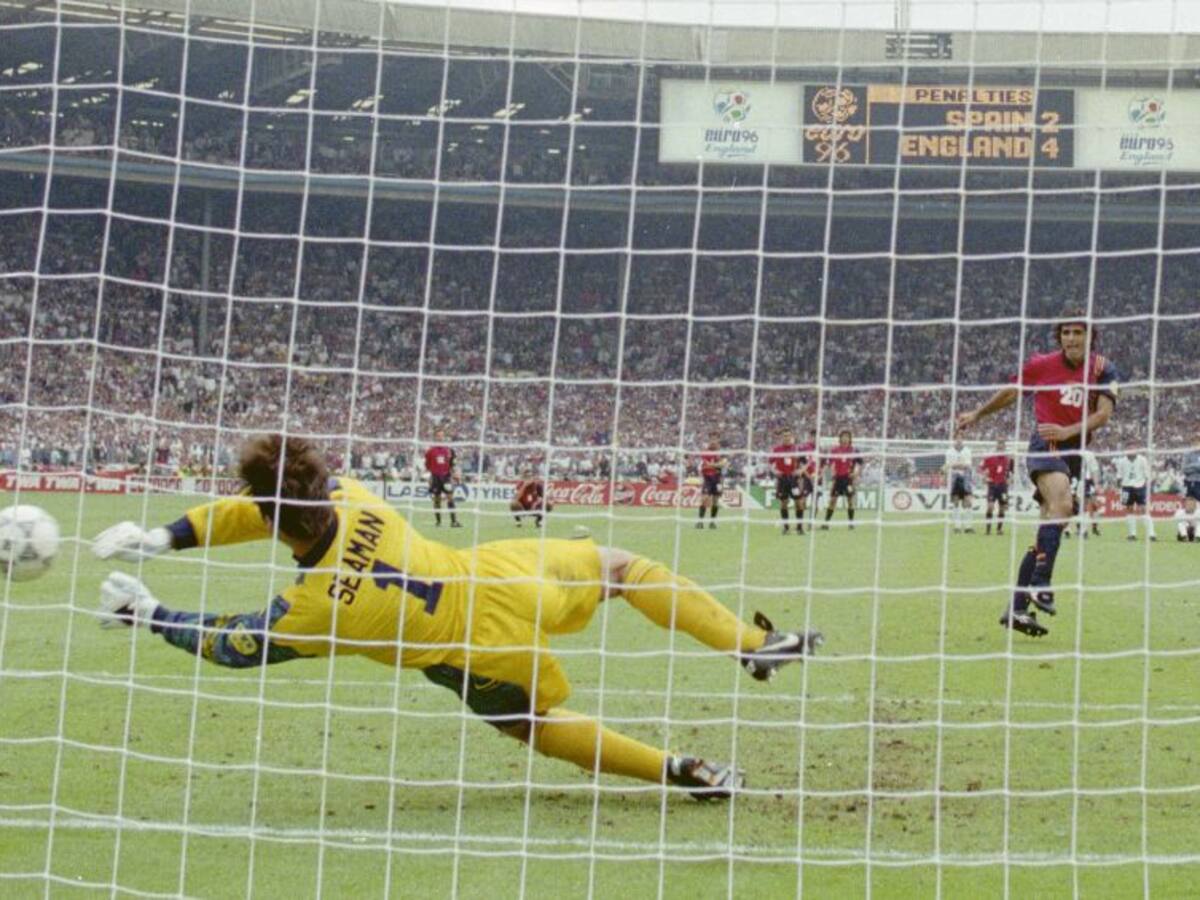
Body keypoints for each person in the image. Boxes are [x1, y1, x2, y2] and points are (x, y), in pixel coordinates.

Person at [92, 435, 824, 801]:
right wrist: (166, 538)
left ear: (272, 520)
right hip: (505, 573)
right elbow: (276, 507)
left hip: (475, 654)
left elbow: (234, 645)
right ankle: (753, 643)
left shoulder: (314, 611)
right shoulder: (356, 496)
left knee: (533, 726)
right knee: (624, 569)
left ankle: (680, 771)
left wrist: (151, 610)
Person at [957, 308, 1119, 638]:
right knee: (1063, 505)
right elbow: (1011, 392)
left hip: (1073, 451)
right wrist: (977, 414)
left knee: (1052, 523)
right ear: (1059, 337)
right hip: (1046, 443)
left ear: (1090, 336)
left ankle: (1017, 608)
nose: (1071, 338)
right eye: (1066, 333)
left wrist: (1069, 430)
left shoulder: (1102, 368)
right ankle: (1041, 584)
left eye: (1078, 332)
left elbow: (1103, 415)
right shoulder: (1042, 364)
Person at [821, 430, 862, 530]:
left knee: (850, 501)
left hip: (848, 479)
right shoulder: (835, 450)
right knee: (833, 501)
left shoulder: (854, 450)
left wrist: (856, 473)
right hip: (838, 479)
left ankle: (851, 523)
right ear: (840, 438)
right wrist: (831, 470)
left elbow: (859, 463)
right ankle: (826, 523)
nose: (845, 438)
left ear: (850, 438)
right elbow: (829, 463)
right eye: (843, 436)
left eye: (847, 436)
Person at [1116, 449, 1156, 542]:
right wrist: (1119, 489)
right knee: (1129, 509)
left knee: (1143, 510)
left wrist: (1147, 486)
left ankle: (1151, 534)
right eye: (1129, 449)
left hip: (1140, 487)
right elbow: (1119, 476)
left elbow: (1147, 475)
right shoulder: (1122, 461)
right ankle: (1132, 534)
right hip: (1126, 487)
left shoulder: (1142, 460)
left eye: (1133, 449)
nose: (1131, 451)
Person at [769, 429, 803, 534]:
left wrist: (800, 470)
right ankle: (786, 528)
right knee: (783, 503)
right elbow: (770, 463)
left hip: (793, 479)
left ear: (792, 437)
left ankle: (799, 528)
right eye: (784, 436)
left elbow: (806, 462)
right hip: (782, 479)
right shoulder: (776, 449)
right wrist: (775, 471)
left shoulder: (797, 449)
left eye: (788, 436)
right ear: (781, 437)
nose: (786, 438)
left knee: (799, 503)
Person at [424, 429, 461, 528]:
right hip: (435, 478)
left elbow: (453, 464)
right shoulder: (430, 451)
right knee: (437, 500)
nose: (440, 437)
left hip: (446, 477)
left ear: (444, 437)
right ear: (435, 437)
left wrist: (456, 474)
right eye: (438, 436)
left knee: (450, 497)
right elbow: (427, 466)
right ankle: (438, 522)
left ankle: (454, 522)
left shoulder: (449, 450)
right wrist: (430, 477)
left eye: (442, 436)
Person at [979, 439, 1012, 536]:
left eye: (1002, 446)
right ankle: (988, 530)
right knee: (990, 507)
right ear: (996, 447)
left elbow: (1011, 473)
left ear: (1004, 447)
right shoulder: (990, 458)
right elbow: (981, 468)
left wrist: (1010, 479)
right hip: (992, 486)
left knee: (1003, 508)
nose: (1000, 447)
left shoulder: (1008, 460)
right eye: (999, 445)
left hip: (1003, 487)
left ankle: (999, 529)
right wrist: (984, 477)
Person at [695, 437, 727, 530]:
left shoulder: (721, 454)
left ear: (718, 443)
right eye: (712, 441)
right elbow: (706, 465)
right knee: (704, 499)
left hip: (718, 480)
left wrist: (713, 465)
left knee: (716, 501)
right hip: (708, 479)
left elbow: (724, 464)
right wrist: (716, 465)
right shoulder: (705, 453)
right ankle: (700, 522)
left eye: (715, 441)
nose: (713, 443)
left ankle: (712, 522)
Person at [945, 437, 974, 533]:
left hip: (966, 478)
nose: (959, 441)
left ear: (962, 440)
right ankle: (957, 526)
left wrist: (955, 465)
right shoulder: (949, 452)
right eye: (957, 439)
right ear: (954, 440)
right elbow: (948, 465)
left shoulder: (967, 451)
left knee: (968, 501)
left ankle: (968, 526)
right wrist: (960, 465)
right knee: (956, 502)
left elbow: (968, 465)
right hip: (954, 479)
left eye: (960, 439)